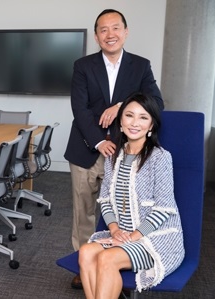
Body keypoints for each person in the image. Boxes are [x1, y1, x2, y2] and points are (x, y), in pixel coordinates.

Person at [63, 9, 164, 289]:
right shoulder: (83, 66)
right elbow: (79, 109)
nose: (110, 34)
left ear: (126, 32)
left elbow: (156, 102)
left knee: (121, 208)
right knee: (83, 210)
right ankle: (83, 264)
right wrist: (98, 141)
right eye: (104, 30)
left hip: (125, 152)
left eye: (116, 28)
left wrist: (121, 106)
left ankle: (115, 259)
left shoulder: (140, 66)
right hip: (87, 148)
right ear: (96, 36)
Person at [78, 93, 184, 298]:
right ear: (120, 122)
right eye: (129, 115)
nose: (135, 123)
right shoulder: (113, 156)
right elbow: (105, 200)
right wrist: (115, 230)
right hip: (123, 234)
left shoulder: (160, 157)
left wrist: (131, 238)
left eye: (143, 117)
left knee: (107, 259)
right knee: (86, 252)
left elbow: (163, 208)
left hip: (155, 239)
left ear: (151, 125)